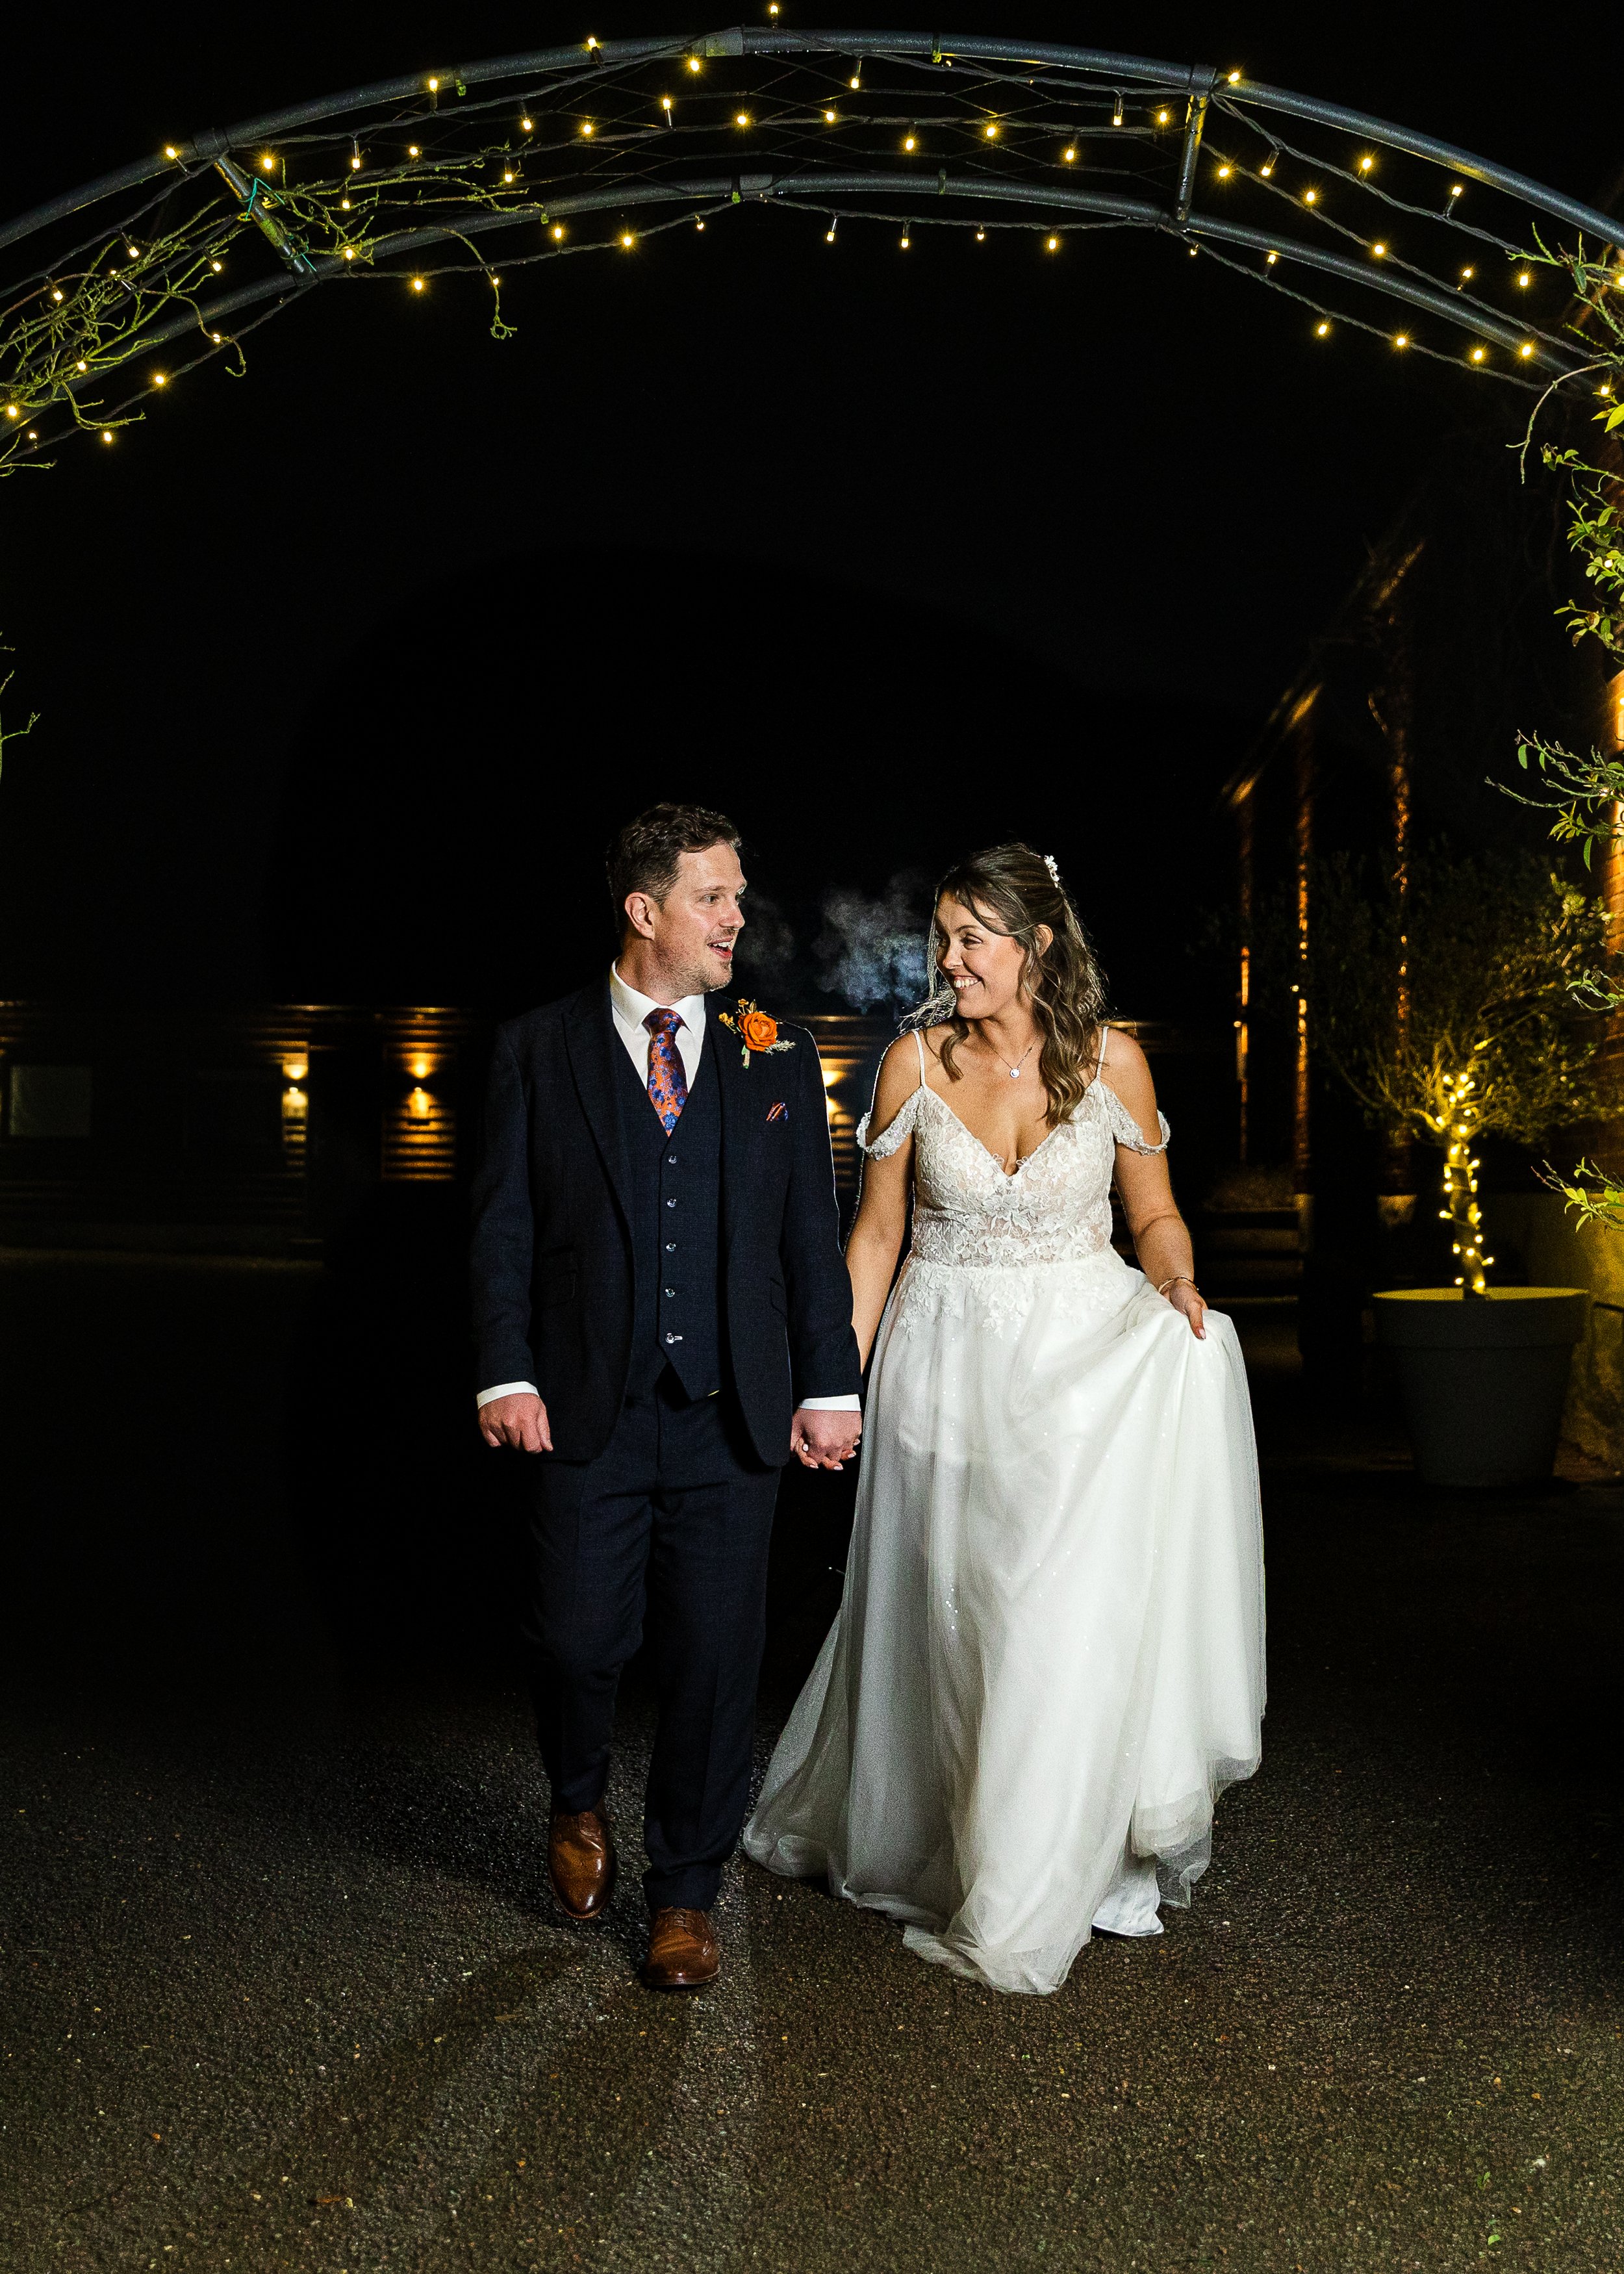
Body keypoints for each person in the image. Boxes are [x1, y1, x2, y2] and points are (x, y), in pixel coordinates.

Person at [744, 843, 1265, 1995]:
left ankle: (1044, 1864)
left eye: (972, 936)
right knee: (960, 1607)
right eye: (942, 935)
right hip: (943, 1367)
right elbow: (875, 1237)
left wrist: (1178, 1284)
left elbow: (1157, 1214)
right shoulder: (911, 1066)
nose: (949, 958)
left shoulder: (1111, 1061)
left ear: (1035, 945)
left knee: (1052, 1613)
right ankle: (955, 1840)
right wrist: (838, 1380)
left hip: (1083, 1370)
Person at [470, 804, 862, 1990]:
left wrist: (829, 1384)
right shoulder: (539, 1048)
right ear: (644, 912)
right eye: (713, 898)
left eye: (738, 896)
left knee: (714, 1657)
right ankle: (577, 1795)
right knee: (578, 1636)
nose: (737, 918)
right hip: (585, 1403)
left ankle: (686, 1894)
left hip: (732, 1409)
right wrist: (506, 1366)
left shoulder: (775, 1052)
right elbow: (504, 1226)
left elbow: (810, 1237)